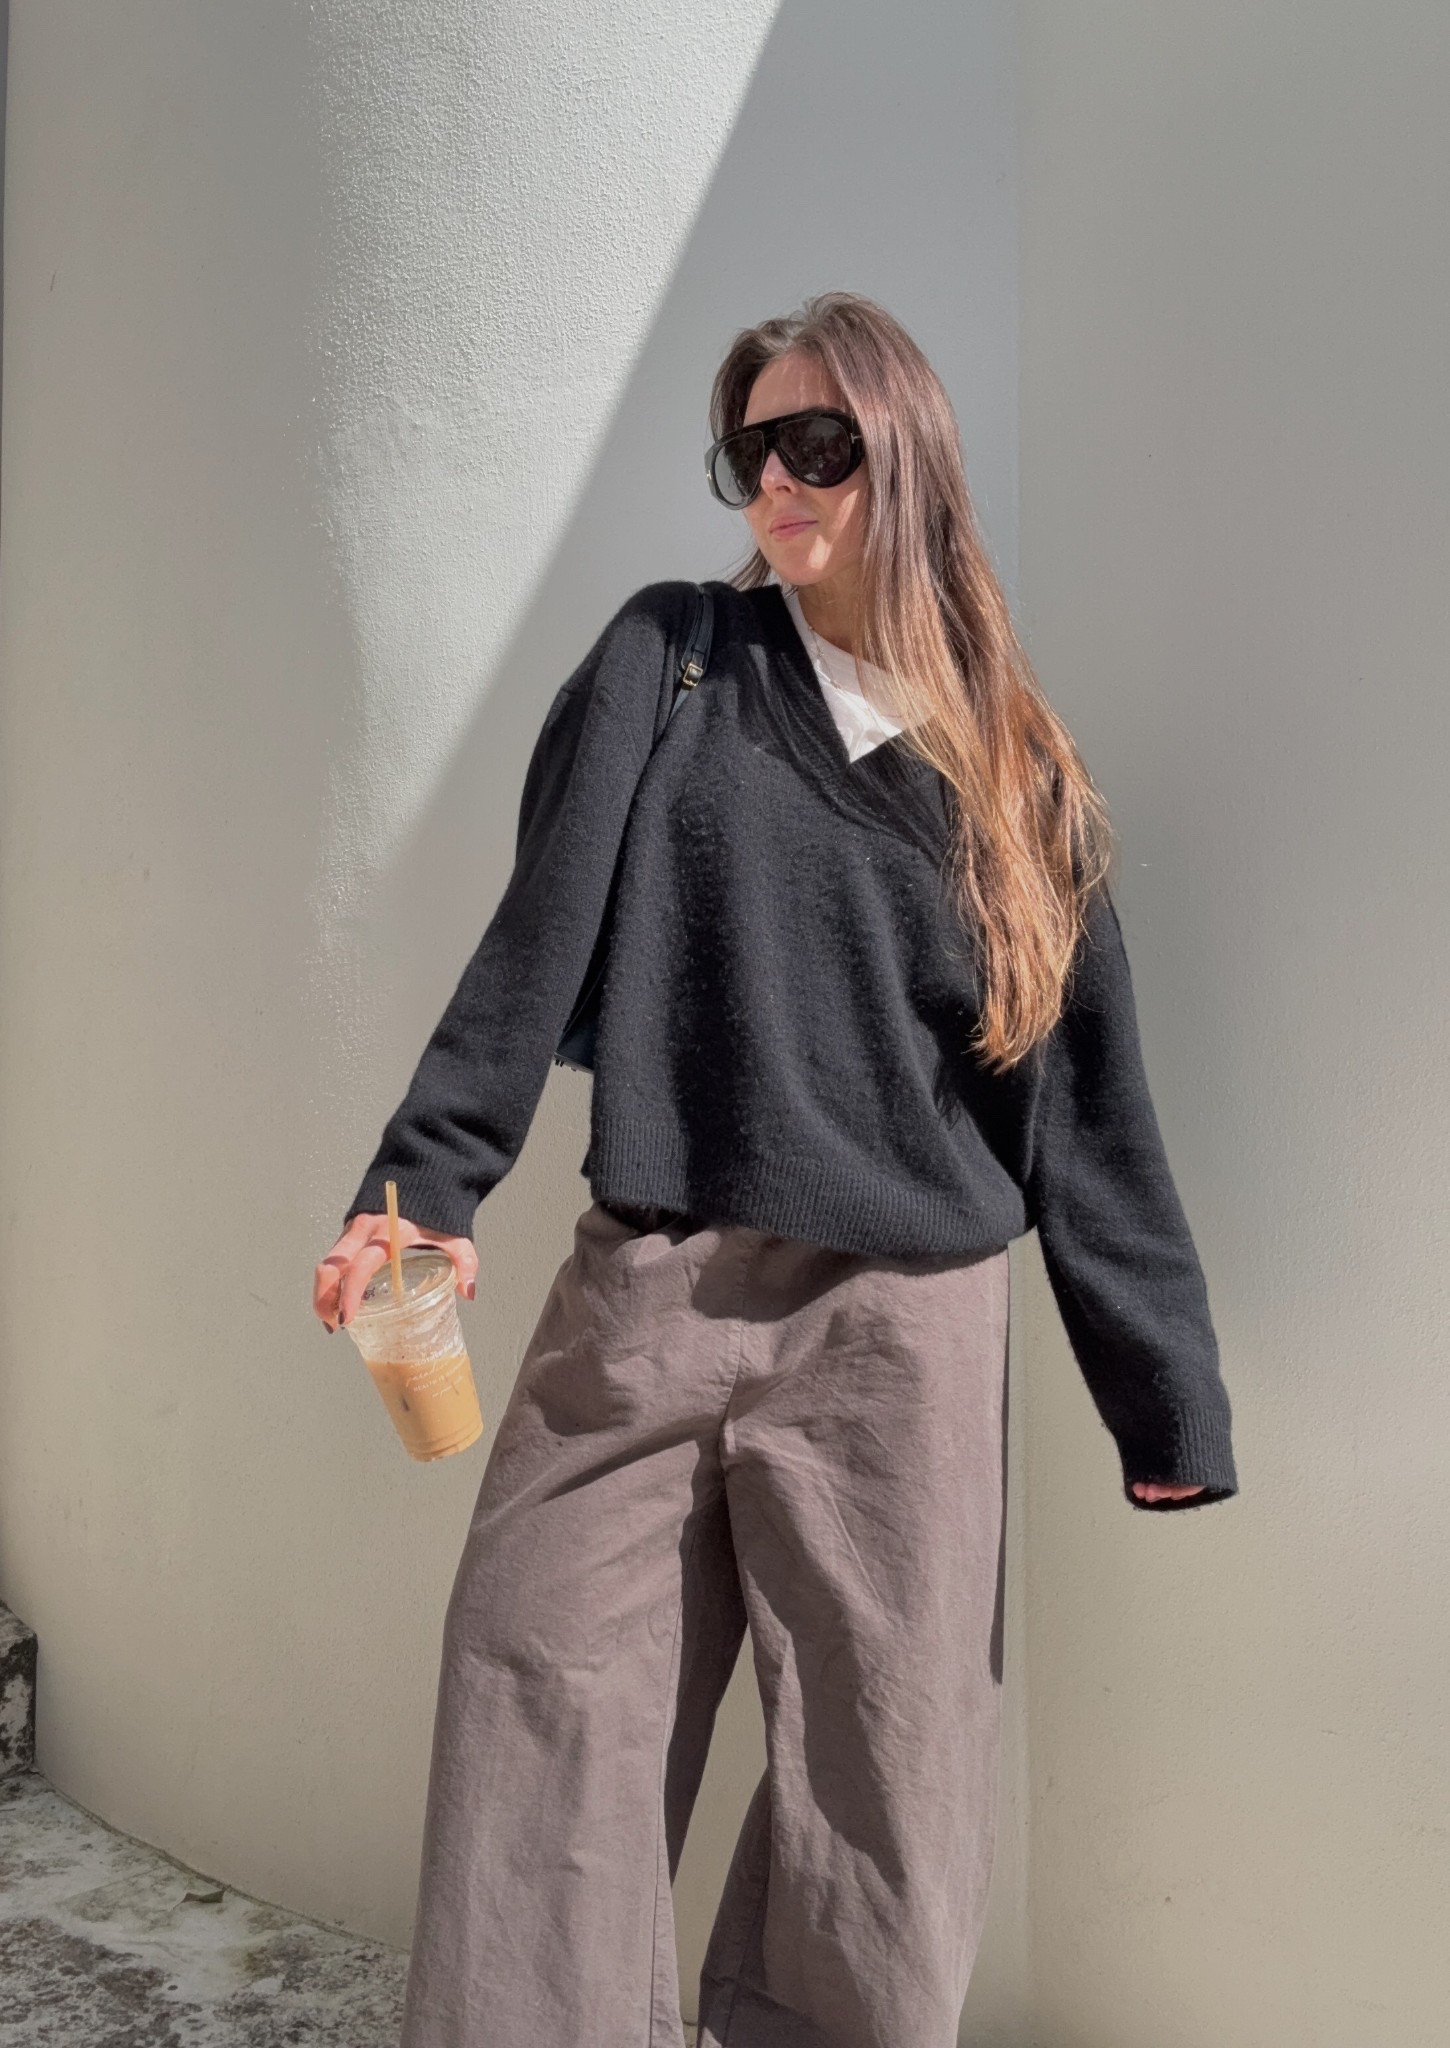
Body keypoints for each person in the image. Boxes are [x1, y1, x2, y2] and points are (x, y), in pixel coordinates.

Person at [312, 290, 1238, 2048]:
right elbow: (531, 946)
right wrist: (420, 1192)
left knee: (883, 1783)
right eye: (750, 452)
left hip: (902, 1329)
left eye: (820, 443)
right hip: (649, 1290)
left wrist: (1161, 1392)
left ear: (910, 457)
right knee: (533, 1695)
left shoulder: (1017, 772)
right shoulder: (673, 659)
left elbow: (1086, 1111)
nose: (780, 483)